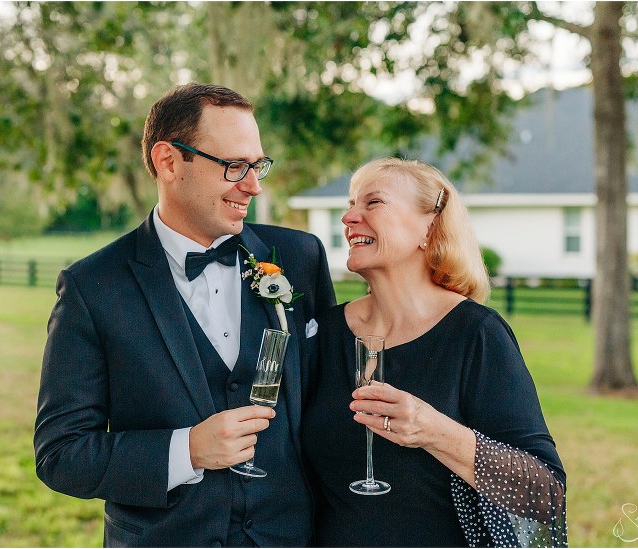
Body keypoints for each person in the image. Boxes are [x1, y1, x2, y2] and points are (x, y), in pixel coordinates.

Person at [34, 83, 336, 547]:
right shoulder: (92, 288)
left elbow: (327, 406)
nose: (253, 185)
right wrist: (186, 451)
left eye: (257, 166)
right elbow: (62, 454)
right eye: (235, 166)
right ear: (169, 161)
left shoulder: (300, 258)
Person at [302, 157, 567, 547]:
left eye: (372, 203)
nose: (349, 217)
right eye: (350, 204)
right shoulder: (324, 333)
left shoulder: (476, 334)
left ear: (430, 226)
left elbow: (545, 495)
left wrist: (434, 431)